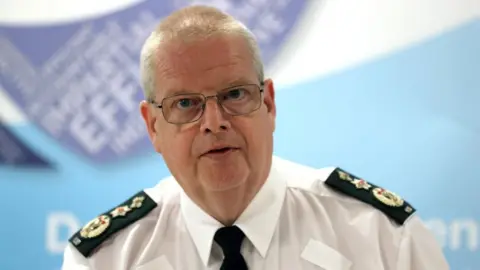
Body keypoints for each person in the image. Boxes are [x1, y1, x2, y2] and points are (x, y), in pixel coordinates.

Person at [61, 5, 450, 270]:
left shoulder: (381, 236)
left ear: (269, 104)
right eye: (185, 104)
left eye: (234, 95)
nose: (214, 123)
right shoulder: (106, 259)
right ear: (152, 127)